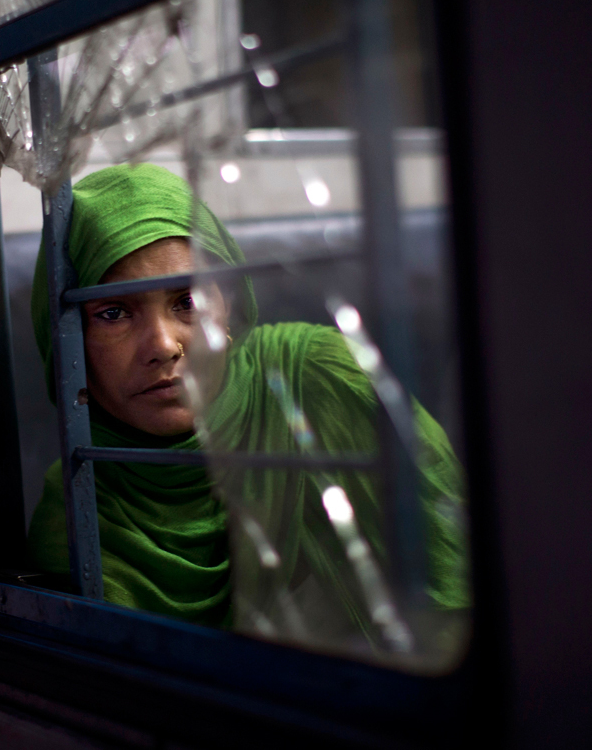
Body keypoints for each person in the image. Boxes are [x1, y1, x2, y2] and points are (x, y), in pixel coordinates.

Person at [27, 163, 468, 650]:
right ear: (66, 344)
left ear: (229, 306)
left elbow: (455, 605)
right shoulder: (74, 521)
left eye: (187, 301)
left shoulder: (318, 381)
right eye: (113, 313)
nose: (164, 346)